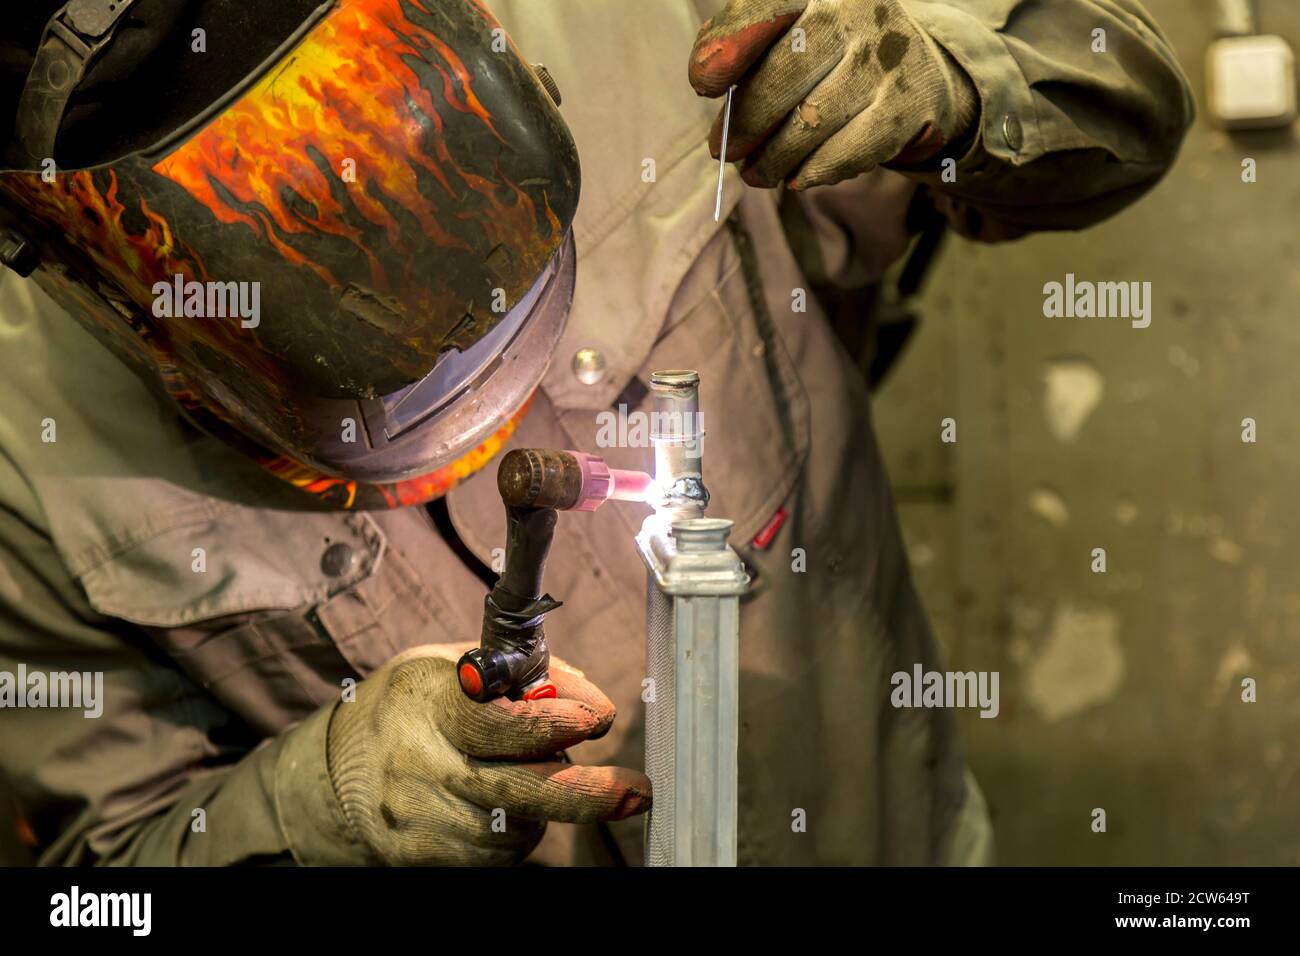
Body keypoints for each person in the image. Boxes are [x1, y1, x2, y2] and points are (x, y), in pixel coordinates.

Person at [0, 0, 1192, 865]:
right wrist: (322, 800)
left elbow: (1119, 76)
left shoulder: (646, 23)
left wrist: (955, 91)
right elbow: (97, 893)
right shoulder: (23, 445)